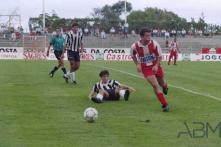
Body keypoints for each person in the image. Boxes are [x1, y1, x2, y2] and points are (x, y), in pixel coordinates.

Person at [131, 28, 169, 112]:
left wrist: (156, 65)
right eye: (147, 36)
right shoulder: (135, 46)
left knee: (162, 83)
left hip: (156, 65)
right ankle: (165, 104)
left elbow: (159, 56)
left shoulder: (154, 44)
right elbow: (133, 55)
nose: (149, 38)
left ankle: (165, 86)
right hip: (146, 68)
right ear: (141, 36)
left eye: (150, 35)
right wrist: (137, 64)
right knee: (155, 85)